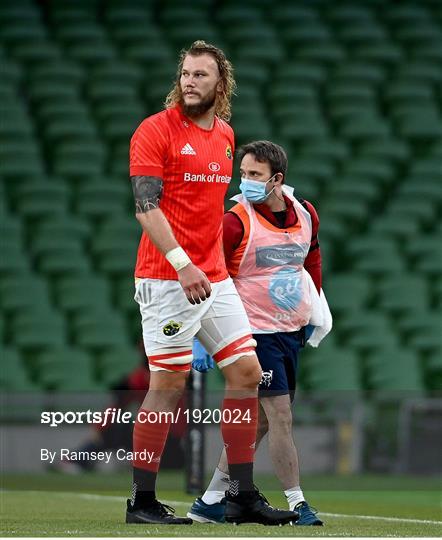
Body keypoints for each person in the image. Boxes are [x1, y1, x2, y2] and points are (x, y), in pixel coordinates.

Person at [126, 41, 299, 526]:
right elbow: (146, 206)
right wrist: (183, 263)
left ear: (220, 84)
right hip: (168, 278)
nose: (190, 82)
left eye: (201, 75)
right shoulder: (154, 130)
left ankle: (240, 495)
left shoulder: (225, 135)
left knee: (246, 375)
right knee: (168, 384)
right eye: (185, 73)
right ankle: (141, 501)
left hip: (214, 277)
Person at [188, 140, 331, 526]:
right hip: (252, 332)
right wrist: (200, 336)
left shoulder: (306, 214)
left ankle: (212, 499)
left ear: (277, 179)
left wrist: (314, 307)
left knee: (262, 422)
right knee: (280, 416)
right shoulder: (234, 221)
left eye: (255, 175)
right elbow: (211, 276)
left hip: (289, 330)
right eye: (243, 174)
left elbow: (311, 257)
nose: (246, 181)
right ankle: (299, 503)